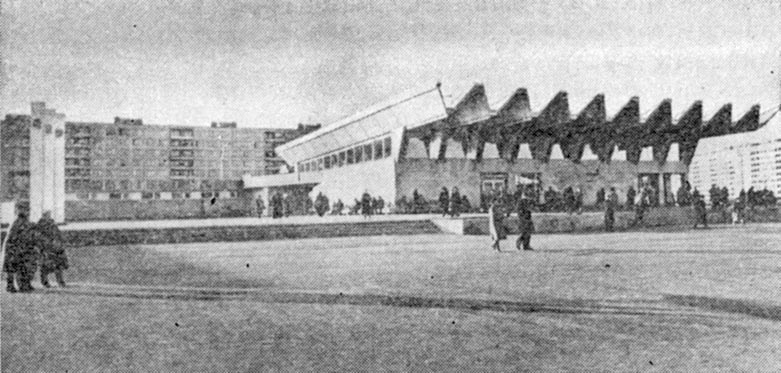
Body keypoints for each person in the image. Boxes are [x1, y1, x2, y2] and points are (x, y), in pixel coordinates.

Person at [3, 211, 37, 293]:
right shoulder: (17, 225)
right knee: (12, 269)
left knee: (23, 268)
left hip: (17, 250)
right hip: (13, 250)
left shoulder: (20, 224)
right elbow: (15, 238)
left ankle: (24, 285)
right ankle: (11, 286)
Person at [35, 211, 68, 287]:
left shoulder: (52, 223)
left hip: (55, 248)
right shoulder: (40, 225)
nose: (49, 216)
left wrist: (60, 242)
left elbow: (58, 234)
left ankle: (60, 281)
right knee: (45, 266)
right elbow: (38, 236)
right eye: (47, 215)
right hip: (46, 248)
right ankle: (45, 281)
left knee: (58, 265)